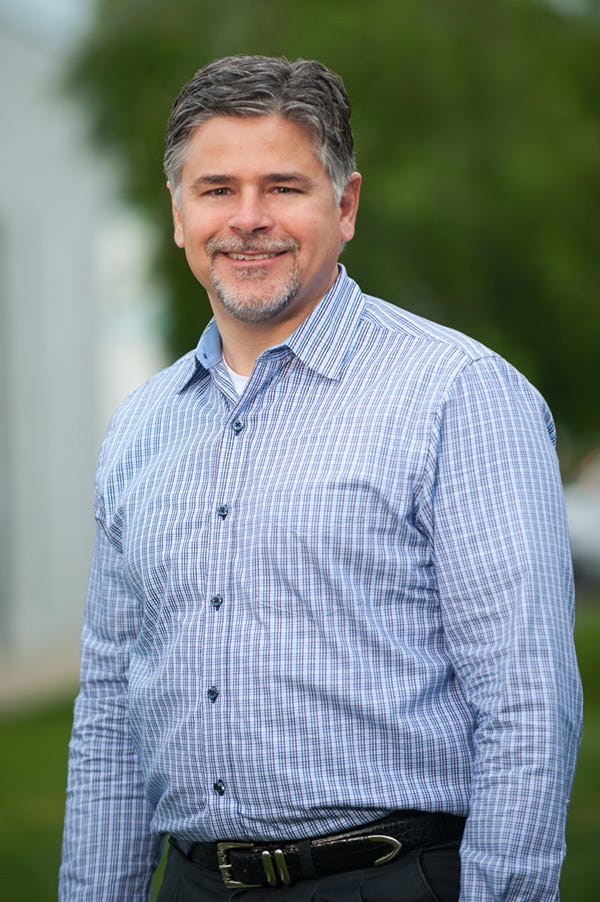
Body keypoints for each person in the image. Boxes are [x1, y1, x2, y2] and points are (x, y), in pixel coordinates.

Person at [59, 55, 582, 902]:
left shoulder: (460, 395)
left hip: (389, 880)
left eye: (284, 187)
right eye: (217, 189)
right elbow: (112, 716)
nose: (249, 219)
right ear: (179, 214)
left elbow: (527, 706)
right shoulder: (140, 427)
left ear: (345, 206)